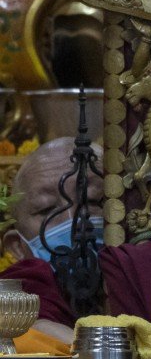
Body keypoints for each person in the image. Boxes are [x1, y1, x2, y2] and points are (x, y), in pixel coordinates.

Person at [0, 137, 104, 346]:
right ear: (17, 246)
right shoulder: (18, 293)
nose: (73, 222)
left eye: (92, 201)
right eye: (46, 209)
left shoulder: (147, 271)